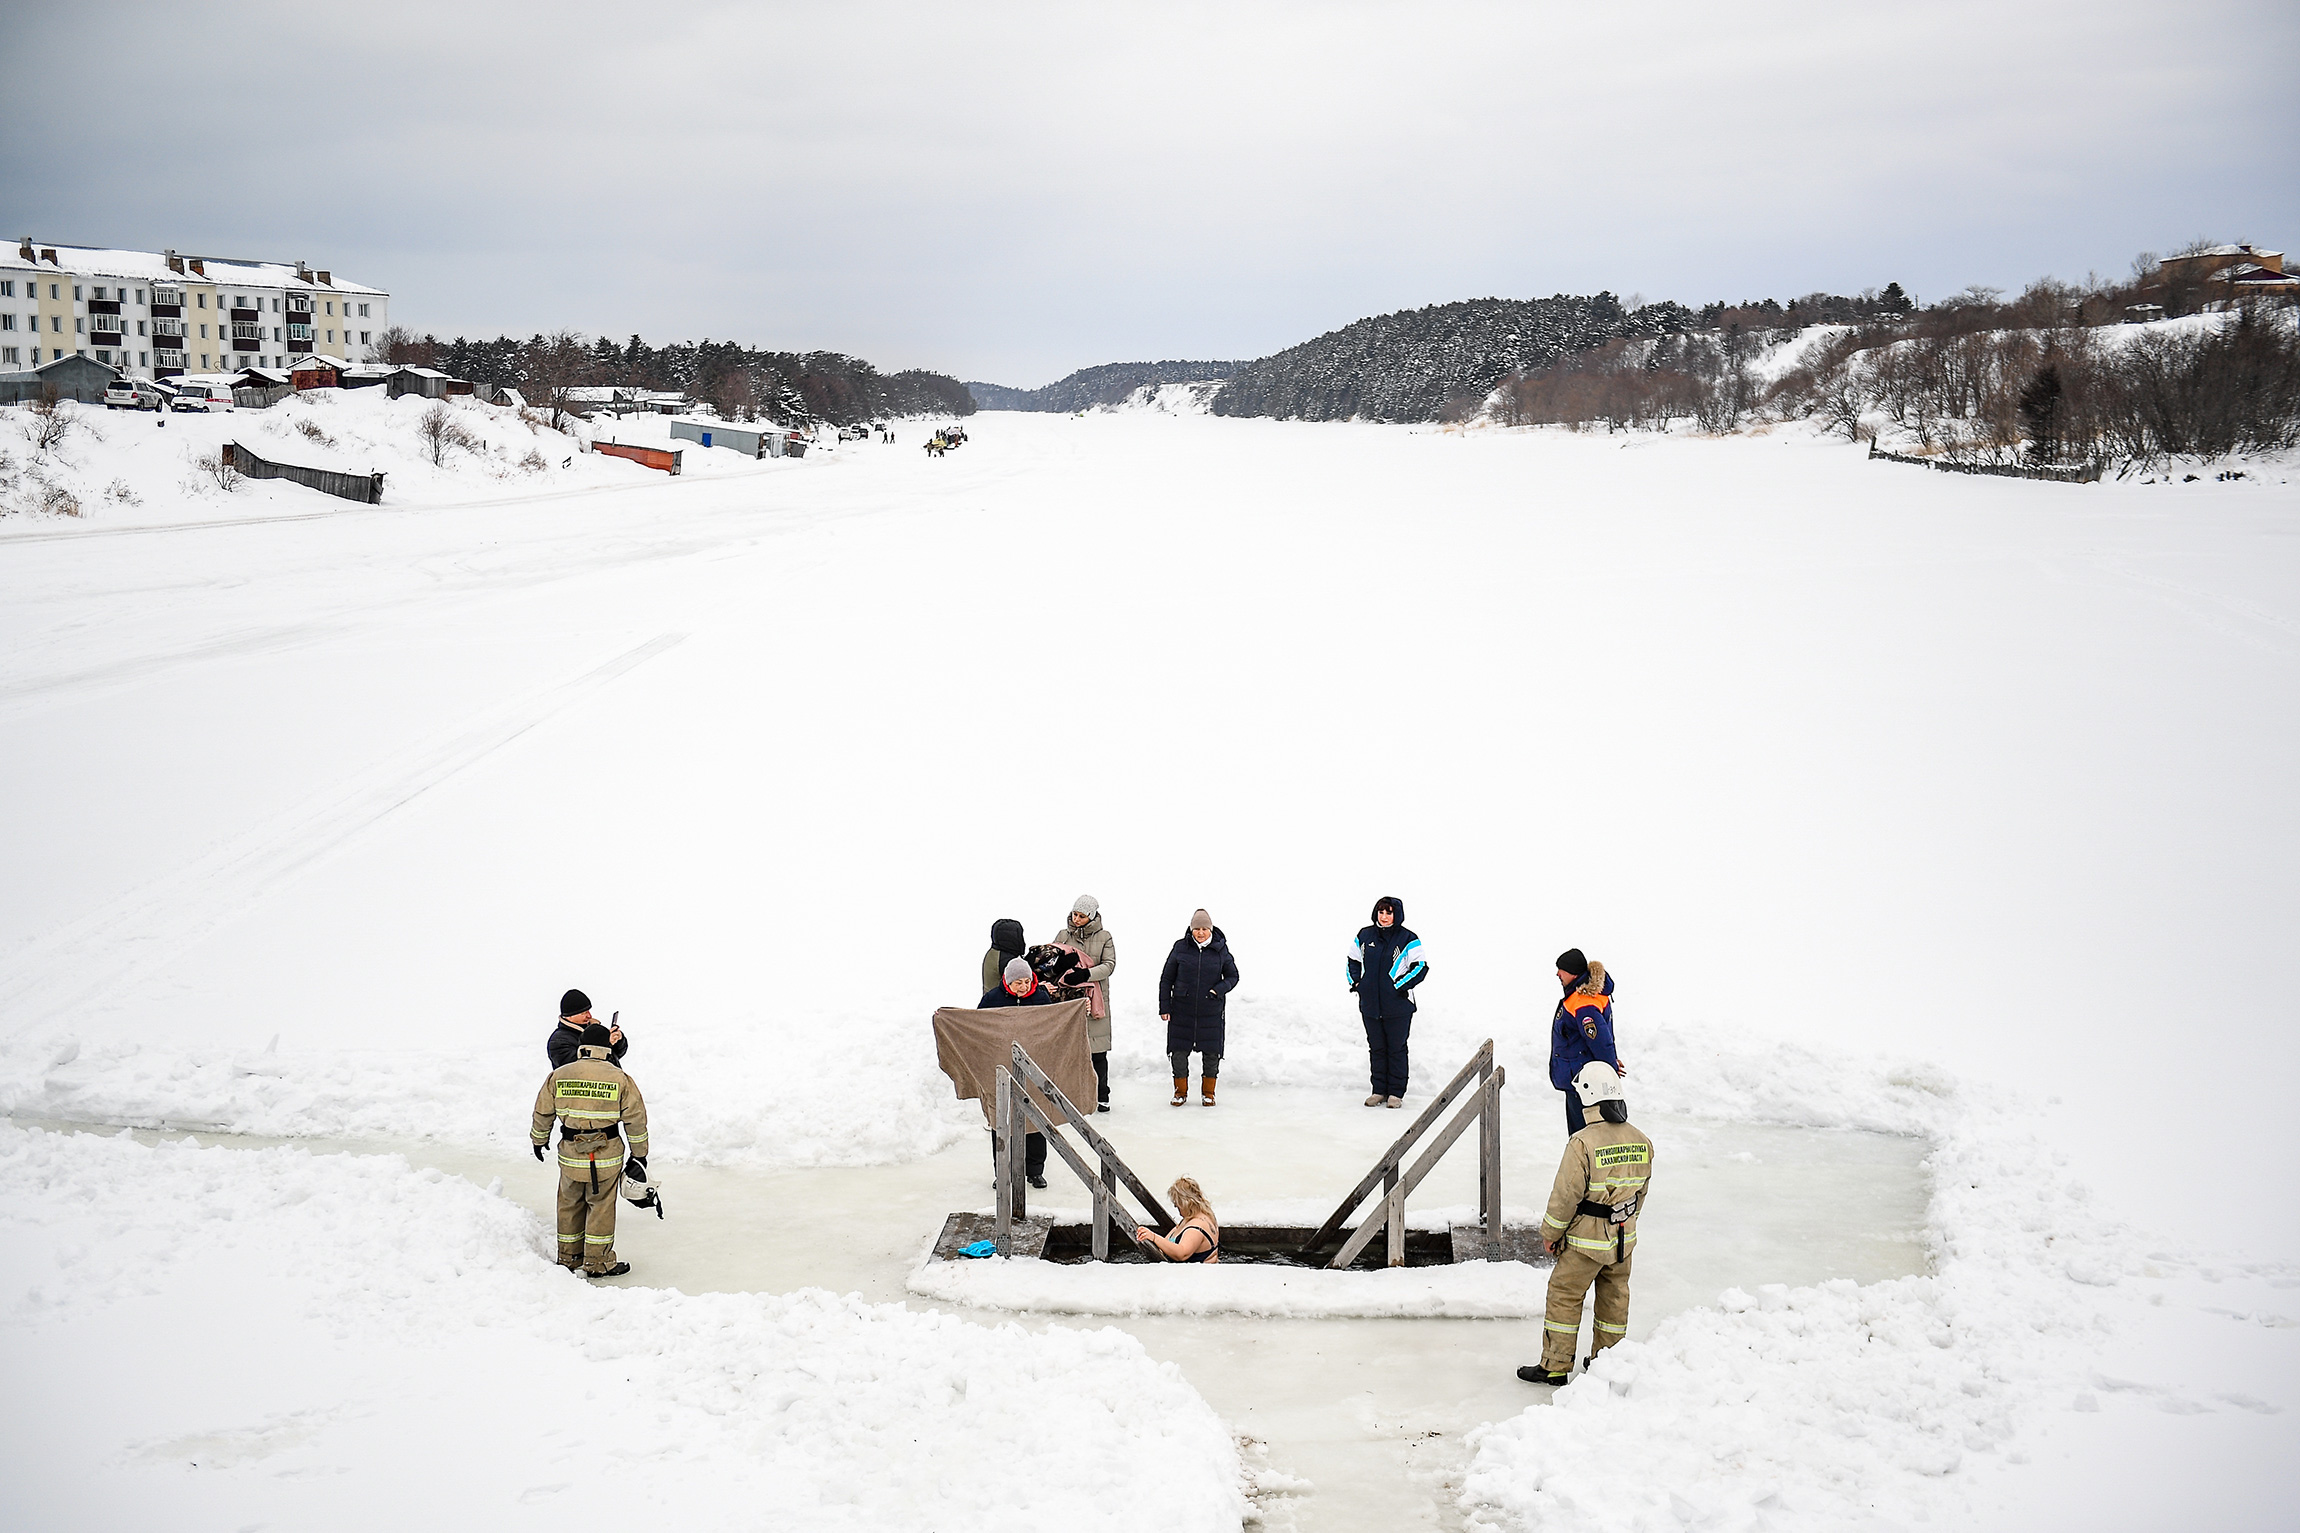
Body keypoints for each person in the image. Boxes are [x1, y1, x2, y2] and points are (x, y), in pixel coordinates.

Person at [1518, 1063, 1652, 1385]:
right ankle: (1608, 1362)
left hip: (1584, 1244)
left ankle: (1555, 1365)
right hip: (1623, 1241)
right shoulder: (1641, 1141)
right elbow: (1641, 1193)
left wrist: (1551, 1234)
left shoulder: (1582, 1143)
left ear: (1589, 1098)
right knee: (1614, 1297)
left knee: (1564, 1294)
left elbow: (1565, 1196)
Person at [529, 1020, 650, 1278]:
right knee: (602, 1206)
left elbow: (543, 1112)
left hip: (571, 1156)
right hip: (607, 1157)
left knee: (569, 1203)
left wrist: (539, 1140)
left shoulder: (559, 1075)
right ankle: (598, 1262)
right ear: (607, 1048)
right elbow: (636, 1120)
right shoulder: (621, 1079)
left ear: (582, 1047)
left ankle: (569, 1257)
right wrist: (639, 1155)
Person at [979, 956, 1055, 1188]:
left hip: (1033, 1066)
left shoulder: (1040, 997)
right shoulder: (992, 999)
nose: (1023, 986)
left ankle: (1035, 1170)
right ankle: (1003, 1170)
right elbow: (977, 1025)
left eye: (1026, 981)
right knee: (1001, 1119)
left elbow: (1054, 1024)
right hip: (1001, 1069)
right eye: (1018, 983)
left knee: (1035, 1118)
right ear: (1007, 982)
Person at [1347, 895, 1426, 1108]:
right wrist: (1357, 984)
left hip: (1398, 1006)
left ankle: (1396, 1094)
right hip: (1370, 1005)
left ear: (1396, 915)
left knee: (1396, 1048)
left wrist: (1399, 986)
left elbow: (1420, 967)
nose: (1384, 917)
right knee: (1377, 1048)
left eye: (1388, 913)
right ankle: (1379, 1091)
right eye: (1381, 912)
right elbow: (1353, 961)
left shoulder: (1408, 939)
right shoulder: (1364, 936)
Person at [1159, 909, 1238, 1106]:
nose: (1200, 932)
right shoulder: (1180, 948)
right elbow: (1167, 979)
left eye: (1204, 929)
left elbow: (1233, 976)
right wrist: (1164, 1006)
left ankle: (1208, 1093)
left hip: (1210, 1010)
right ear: (1191, 929)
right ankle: (1180, 1092)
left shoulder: (1221, 950)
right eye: (1197, 928)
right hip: (1182, 1009)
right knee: (1178, 1051)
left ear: (1210, 929)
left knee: (1211, 1053)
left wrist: (1218, 990)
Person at [1548, 949, 1621, 1135]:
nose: (1557, 974)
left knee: (1583, 1137)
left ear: (1573, 973)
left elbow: (1600, 1041)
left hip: (1585, 1084)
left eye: (1561, 970)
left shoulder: (1583, 1003)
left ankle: (1582, 1165)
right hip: (1581, 1080)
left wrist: (1610, 1068)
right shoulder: (1584, 997)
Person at [1057, 895, 1118, 1112]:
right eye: (1075, 914)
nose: (1076, 919)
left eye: (1082, 916)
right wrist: (1064, 969)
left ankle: (1102, 1095)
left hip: (1096, 999)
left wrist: (1086, 974)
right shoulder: (1064, 935)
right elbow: (1052, 960)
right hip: (1069, 1000)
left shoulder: (1104, 937)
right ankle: (1073, 1094)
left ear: (1091, 916)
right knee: (1071, 1050)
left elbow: (1109, 965)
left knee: (1097, 1051)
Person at [1132, 1176, 1222, 1263]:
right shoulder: (1197, 1215)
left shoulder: (1197, 1227)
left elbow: (1182, 1254)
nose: (1175, 1206)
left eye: (1177, 1202)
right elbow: (1169, 1239)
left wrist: (1154, 1237)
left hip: (1198, 1274)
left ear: (1186, 1203)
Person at [548, 988, 626, 1070]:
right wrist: (604, 1044)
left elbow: (616, 1055)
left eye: (588, 1011)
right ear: (570, 1016)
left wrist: (618, 1040)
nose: (589, 1016)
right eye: (584, 1013)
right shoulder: (558, 1041)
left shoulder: (594, 1030)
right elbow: (576, 1067)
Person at [981, 919, 1027, 998]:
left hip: (992, 1001)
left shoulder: (994, 952)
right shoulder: (1007, 961)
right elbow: (1023, 988)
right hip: (1003, 1006)